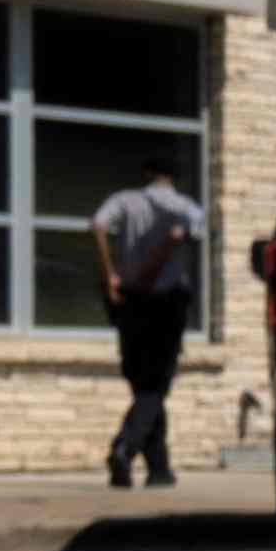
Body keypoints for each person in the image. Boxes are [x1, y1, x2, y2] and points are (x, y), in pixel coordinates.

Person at [89, 157, 208, 494]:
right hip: (165, 302)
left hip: (129, 302)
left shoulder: (124, 200)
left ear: (146, 174)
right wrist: (153, 269)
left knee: (143, 381)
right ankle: (124, 447)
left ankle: (159, 468)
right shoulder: (187, 207)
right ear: (174, 176)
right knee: (156, 385)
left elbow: (97, 225)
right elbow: (179, 234)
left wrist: (109, 274)